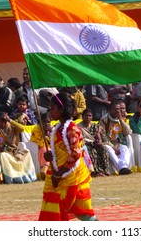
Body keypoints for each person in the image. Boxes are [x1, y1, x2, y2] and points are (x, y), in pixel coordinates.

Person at [39, 92, 97, 221]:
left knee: (84, 213)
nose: (50, 111)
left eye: (53, 108)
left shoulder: (72, 129)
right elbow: (59, 151)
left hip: (73, 176)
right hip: (57, 174)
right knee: (53, 207)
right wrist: (50, 157)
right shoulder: (57, 128)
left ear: (61, 109)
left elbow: (75, 153)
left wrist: (59, 173)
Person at [0, 111, 37, 184]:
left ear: (4, 121)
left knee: (27, 152)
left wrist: (9, 120)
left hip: (15, 151)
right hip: (4, 152)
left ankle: (28, 175)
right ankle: (12, 177)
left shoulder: (12, 126)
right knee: (2, 155)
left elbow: (22, 129)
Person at [98, 100, 133, 175]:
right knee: (108, 149)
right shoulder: (104, 120)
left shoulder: (121, 119)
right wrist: (113, 147)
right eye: (116, 109)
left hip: (118, 143)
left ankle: (123, 167)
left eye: (119, 109)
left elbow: (127, 132)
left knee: (125, 149)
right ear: (110, 109)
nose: (118, 111)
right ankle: (122, 168)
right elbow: (103, 137)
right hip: (108, 143)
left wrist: (120, 119)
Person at [78, 109, 110, 177]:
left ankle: (105, 170)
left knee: (104, 149)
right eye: (86, 116)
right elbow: (81, 139)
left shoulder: (95, 127)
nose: (88, 117)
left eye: (90, 116)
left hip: (95, 144)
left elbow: (100, 138)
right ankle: (96, 171)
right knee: (93, 151)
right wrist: (91, 143)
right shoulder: (79, 127)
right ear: (82, 116)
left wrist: (99, 142)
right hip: (86, 145)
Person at [30, 112, 52, 179]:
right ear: (40, 122)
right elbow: (40, 144)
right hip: (38, 149)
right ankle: (44, 169)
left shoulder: (51, 129)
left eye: (48, 122)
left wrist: (49, 134)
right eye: (44, 122)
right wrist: (45, 135)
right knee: (45, 150)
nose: (46, 124)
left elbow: (55, 142)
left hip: (49, 148)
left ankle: (47, 169)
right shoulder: (36, 129)